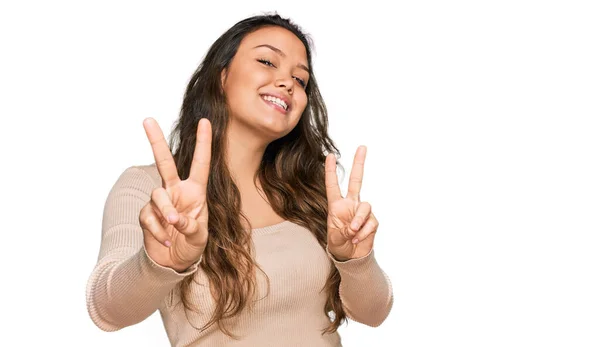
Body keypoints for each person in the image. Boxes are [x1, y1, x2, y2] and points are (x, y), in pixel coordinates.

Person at [86, 13, 393, 347]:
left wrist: (356, 261)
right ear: (222, 76)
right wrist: (159, 263)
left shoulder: (311, 191)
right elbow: (107, 310)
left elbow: (373, 314)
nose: (288, 83)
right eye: (266, 61)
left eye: (301, 80)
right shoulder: (150, 188)